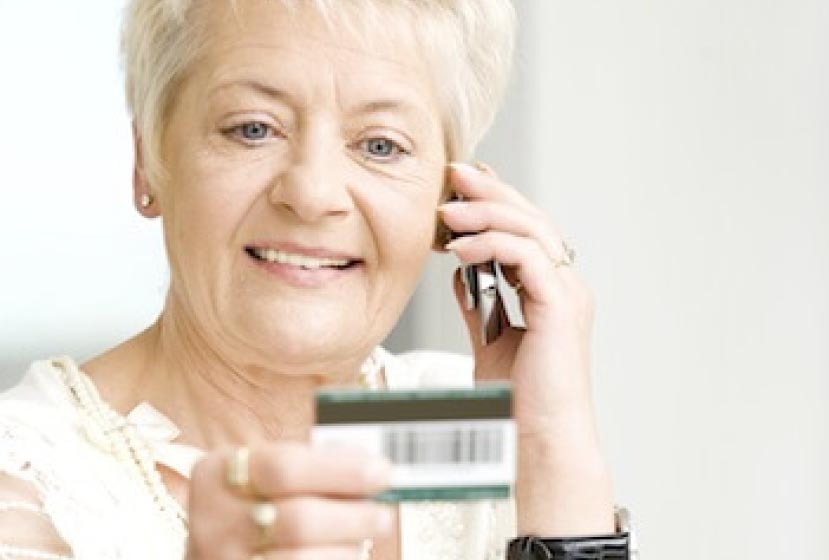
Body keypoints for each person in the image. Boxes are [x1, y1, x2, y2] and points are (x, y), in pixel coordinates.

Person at [0, 1, 633, 559]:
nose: (313, 194)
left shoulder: (469, 428)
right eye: (253, 128)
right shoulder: (27, 482)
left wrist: (551, 454)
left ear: (451, 198)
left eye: (380, 145)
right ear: (150, 163)